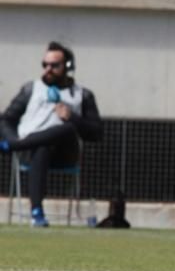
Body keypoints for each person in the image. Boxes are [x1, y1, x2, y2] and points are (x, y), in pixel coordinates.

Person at [0, 42, 103, 227]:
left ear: (67, 67)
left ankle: (8, 148)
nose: (48, 69)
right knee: (42, 145)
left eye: (55, 66)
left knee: (68, 128)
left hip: (65, 152)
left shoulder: (82, 95)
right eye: (45, 65)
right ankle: (37, 212)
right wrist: (12, 138)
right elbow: (7, 119)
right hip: (31, 151)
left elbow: (96, 133)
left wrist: (72, 117)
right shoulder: (30, 90)